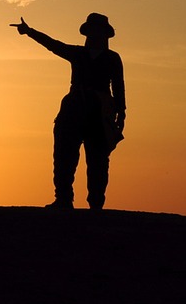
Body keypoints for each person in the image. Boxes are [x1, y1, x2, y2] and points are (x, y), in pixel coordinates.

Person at [13, 12, 125, 210]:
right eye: (92, 31)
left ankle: (96, 202)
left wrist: (121, 112)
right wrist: (30, 32)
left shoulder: (112, 58)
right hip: (73, 109)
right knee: (64, 156)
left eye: (97, 31)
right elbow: (53, 45)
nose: (94, 35)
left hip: (99, 113)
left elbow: (118, 86)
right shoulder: (78, 54)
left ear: (104, 35)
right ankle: (64, 199)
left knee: (98, 160)